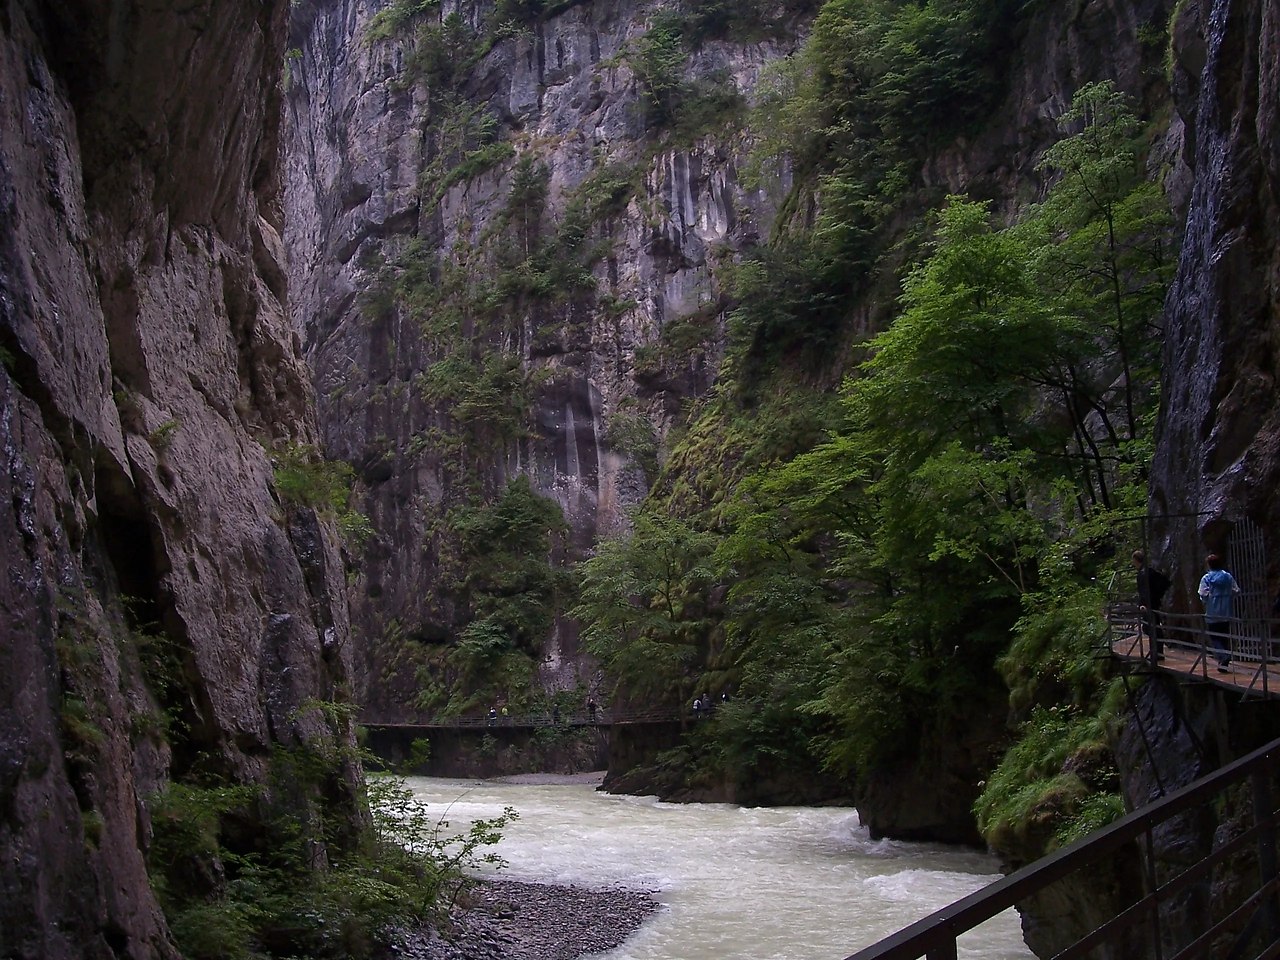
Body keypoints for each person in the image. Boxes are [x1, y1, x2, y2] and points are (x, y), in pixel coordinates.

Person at [1198, 554, 1241, 672]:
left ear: (1209, 565)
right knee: (1224, 637)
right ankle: (1223, 665)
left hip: (1212, 613)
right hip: (1226, 612)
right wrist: (1228, 596)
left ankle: (1223, 657)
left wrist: (1209, 599)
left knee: (1215, 638)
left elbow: (1202, 593)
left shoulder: (1206, 578)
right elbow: (1236, 590)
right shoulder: (1227, 577)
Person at [1133, 550, 1171, 659]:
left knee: (1151, 628)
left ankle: (1157, 653)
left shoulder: (1143, 573)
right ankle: (1157, 652)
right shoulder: (1150, 571)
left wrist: (1143, 603)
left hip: (1149, 604)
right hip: (1153, 602)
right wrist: (1158, 596)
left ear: (1136, 560)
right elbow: (1165, 582)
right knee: (1152, 627)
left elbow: (1144, 590)